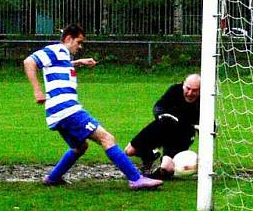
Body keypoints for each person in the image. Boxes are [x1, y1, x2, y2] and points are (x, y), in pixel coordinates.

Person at [24, 24, 163, 190]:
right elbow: (29, 61)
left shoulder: (62, 56)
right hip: (68, 110)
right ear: (68, 38)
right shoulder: (56, 50)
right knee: (107, 138)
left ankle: (53, 178)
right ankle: (136, 179)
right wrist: (37, 90)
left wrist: (79, 62)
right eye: (79, 42)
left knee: (79, 147)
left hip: (56, 113)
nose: (80, 46)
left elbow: (61, 66)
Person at [125, 73, 201, 179]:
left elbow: (205, 123)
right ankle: (150, 156)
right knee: (129, 151)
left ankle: (148, 178)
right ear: (183, 84)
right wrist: (161, 116)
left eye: (195, 90)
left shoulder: (204, 101)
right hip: (163, 126)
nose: (190, 93)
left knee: (166, 169)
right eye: (188, 88)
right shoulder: (175, 90)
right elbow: (159, 106)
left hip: (181, 136)